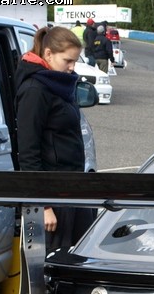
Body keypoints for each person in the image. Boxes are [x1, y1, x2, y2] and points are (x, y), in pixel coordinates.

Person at [15, 26, 95, 254]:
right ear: (48, 54)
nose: (72, 68)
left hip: (72, 191)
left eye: (75, 62)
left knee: (79, 261)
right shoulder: (35, 90)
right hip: (53, 198)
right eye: (67, 61)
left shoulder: (59, 84)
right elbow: (28, 153)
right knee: (53, 270)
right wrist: (43, 205)